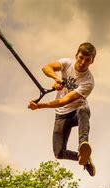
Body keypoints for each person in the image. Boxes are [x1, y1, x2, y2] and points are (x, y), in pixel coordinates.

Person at [28, 42, 96, 176]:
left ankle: (83, 144)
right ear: (76, 55)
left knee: (83, 109)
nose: (83, 62)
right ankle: (84, 159)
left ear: (92, 61)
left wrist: (39, 106)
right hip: (61, 115)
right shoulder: (66, 63)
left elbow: (64, 101)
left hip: (76, 113)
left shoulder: (88, 81)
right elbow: (46, 67)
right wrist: (56, 78)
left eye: (87, 60)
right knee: (59, 153)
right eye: (81, 57)